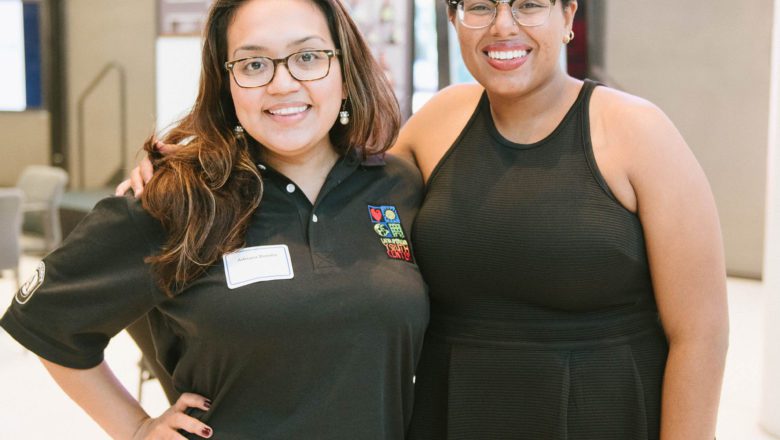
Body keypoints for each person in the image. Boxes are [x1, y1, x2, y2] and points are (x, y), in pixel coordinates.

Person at [121, 0, 730, 438]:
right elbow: (342, 180)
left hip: (596, 412)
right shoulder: (439, 122)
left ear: (569, 16)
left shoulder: (637, 131)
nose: (503, 25)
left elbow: (700, 332)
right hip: (450, 413)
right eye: (479, 6)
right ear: (455, 19)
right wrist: (183, 167)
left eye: (528, 4)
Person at [0, 0, 428, 438]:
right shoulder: (180, 198)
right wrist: (136, 428)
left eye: (308, 57)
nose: (283, 84)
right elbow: (46, 316)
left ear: (344, 72)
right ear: (226, 85)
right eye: (254, 64)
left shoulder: (398, 186)